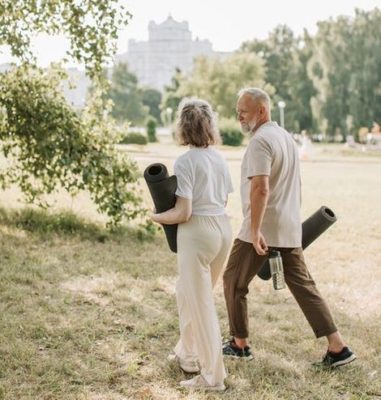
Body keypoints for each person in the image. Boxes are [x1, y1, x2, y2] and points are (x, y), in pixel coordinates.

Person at [222, 88, 356, 368]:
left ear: (261, 111)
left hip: (262, 229)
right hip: (288, 227)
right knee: (305, 287)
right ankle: (338, 347)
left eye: (243, 112)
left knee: (233, 280)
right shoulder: (285, 137)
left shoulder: (260, 142)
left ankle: (239, 343)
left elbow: (260, 188)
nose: (239, 117)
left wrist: (255, 229)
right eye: (237, 112)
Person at [151, 98, 233, 391]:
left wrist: (155, 216)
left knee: (201, 305)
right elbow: (223, 200)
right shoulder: (219, 158)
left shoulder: (185, 161)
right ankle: (187, 353)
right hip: (223, 230)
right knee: (186, 292)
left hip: (197, 232)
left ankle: (212, 378)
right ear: (210, 125)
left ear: (182, 126)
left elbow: (183, 212)